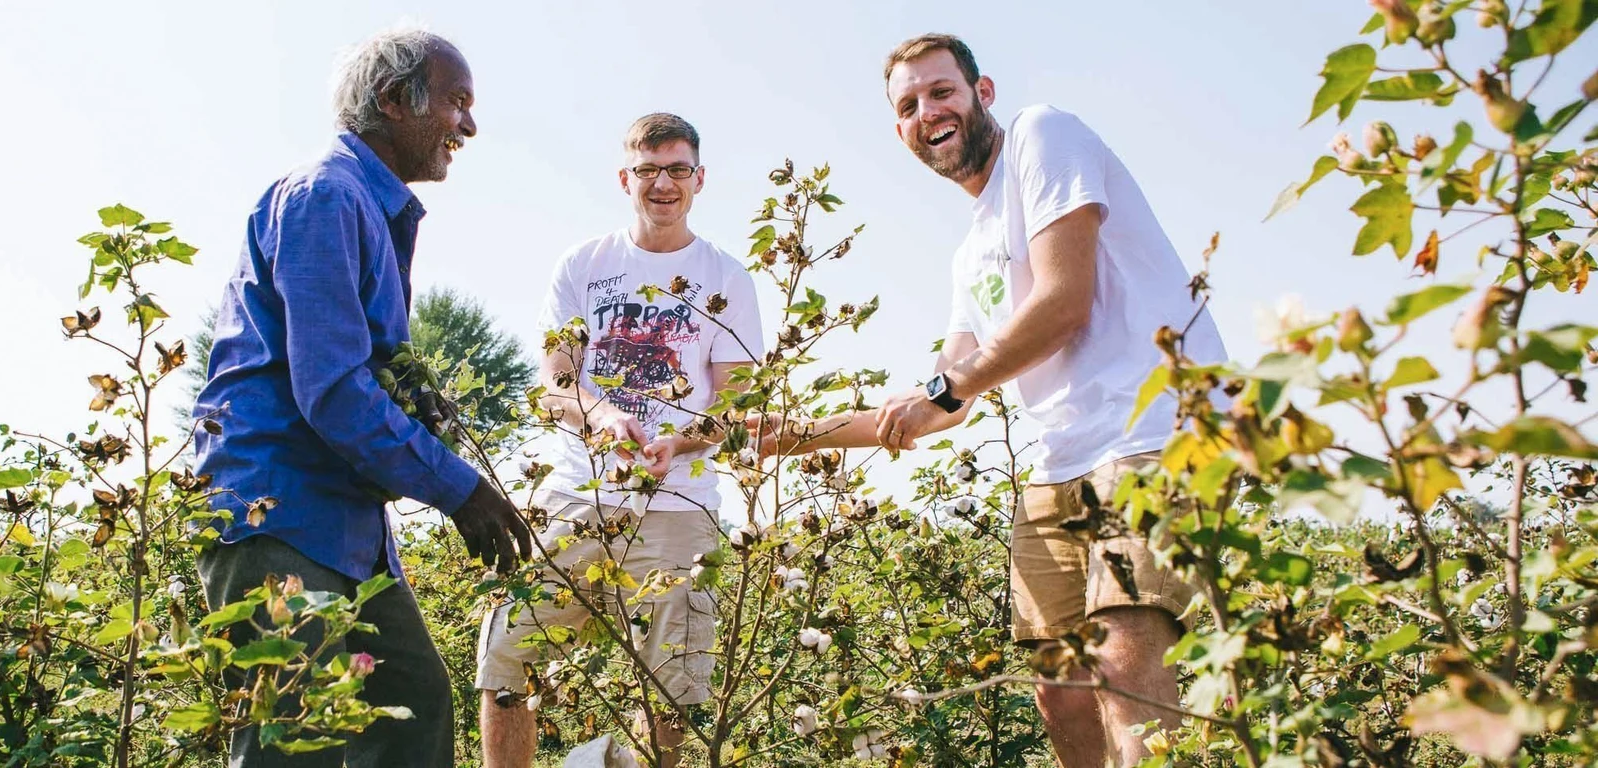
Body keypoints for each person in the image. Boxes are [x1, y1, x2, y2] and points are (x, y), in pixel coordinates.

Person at [757, 33, 1228, 768]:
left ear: (983, 93)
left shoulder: (1044, 135)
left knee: (1123, 661)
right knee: (1062, 690)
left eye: (941, 91)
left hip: (1153, 433)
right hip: (1059, 463)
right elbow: (945, 398)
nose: (927, 112)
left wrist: (948, 388)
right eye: (908, 106)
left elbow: (1063, 301)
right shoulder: (969, 252)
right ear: (900, 132)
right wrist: (795, 434)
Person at [191, 27, 532, 768]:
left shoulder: (370, 209)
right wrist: (461, 489)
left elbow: (363, 373)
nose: (469, 125)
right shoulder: (325, 196)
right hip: (280, 510)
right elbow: (335, 388)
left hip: (345, 521)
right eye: (456, 102)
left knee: (413, 705)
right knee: (294, 742)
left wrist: (424, 417)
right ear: (393, 100)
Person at [475, 113, 764, 768]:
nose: (663, 183)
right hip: (574, 495)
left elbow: (735, 403)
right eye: (648, 170)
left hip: (678, 505)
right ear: (624, 178)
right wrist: (603, 416)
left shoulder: (727, 277)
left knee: (671, 691)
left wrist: (678, 442)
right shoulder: (583, 265)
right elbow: (556, 384)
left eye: (677, 170)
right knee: (507, 659)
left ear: (699, 179)